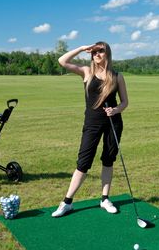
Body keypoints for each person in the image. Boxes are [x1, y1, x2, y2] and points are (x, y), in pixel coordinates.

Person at [52, 41, 128, 217]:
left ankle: (105, 199)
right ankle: (67, 202)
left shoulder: (117, 76)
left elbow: (125, 102)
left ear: (107, 53)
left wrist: (116, 109)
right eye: (94, 52)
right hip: (92, 123)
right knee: (83, 162)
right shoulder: (87, 72)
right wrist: (81, 48)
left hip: (113, 122)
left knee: (108, 159)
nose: (97, 55)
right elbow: (62, 61)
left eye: (100, 51)